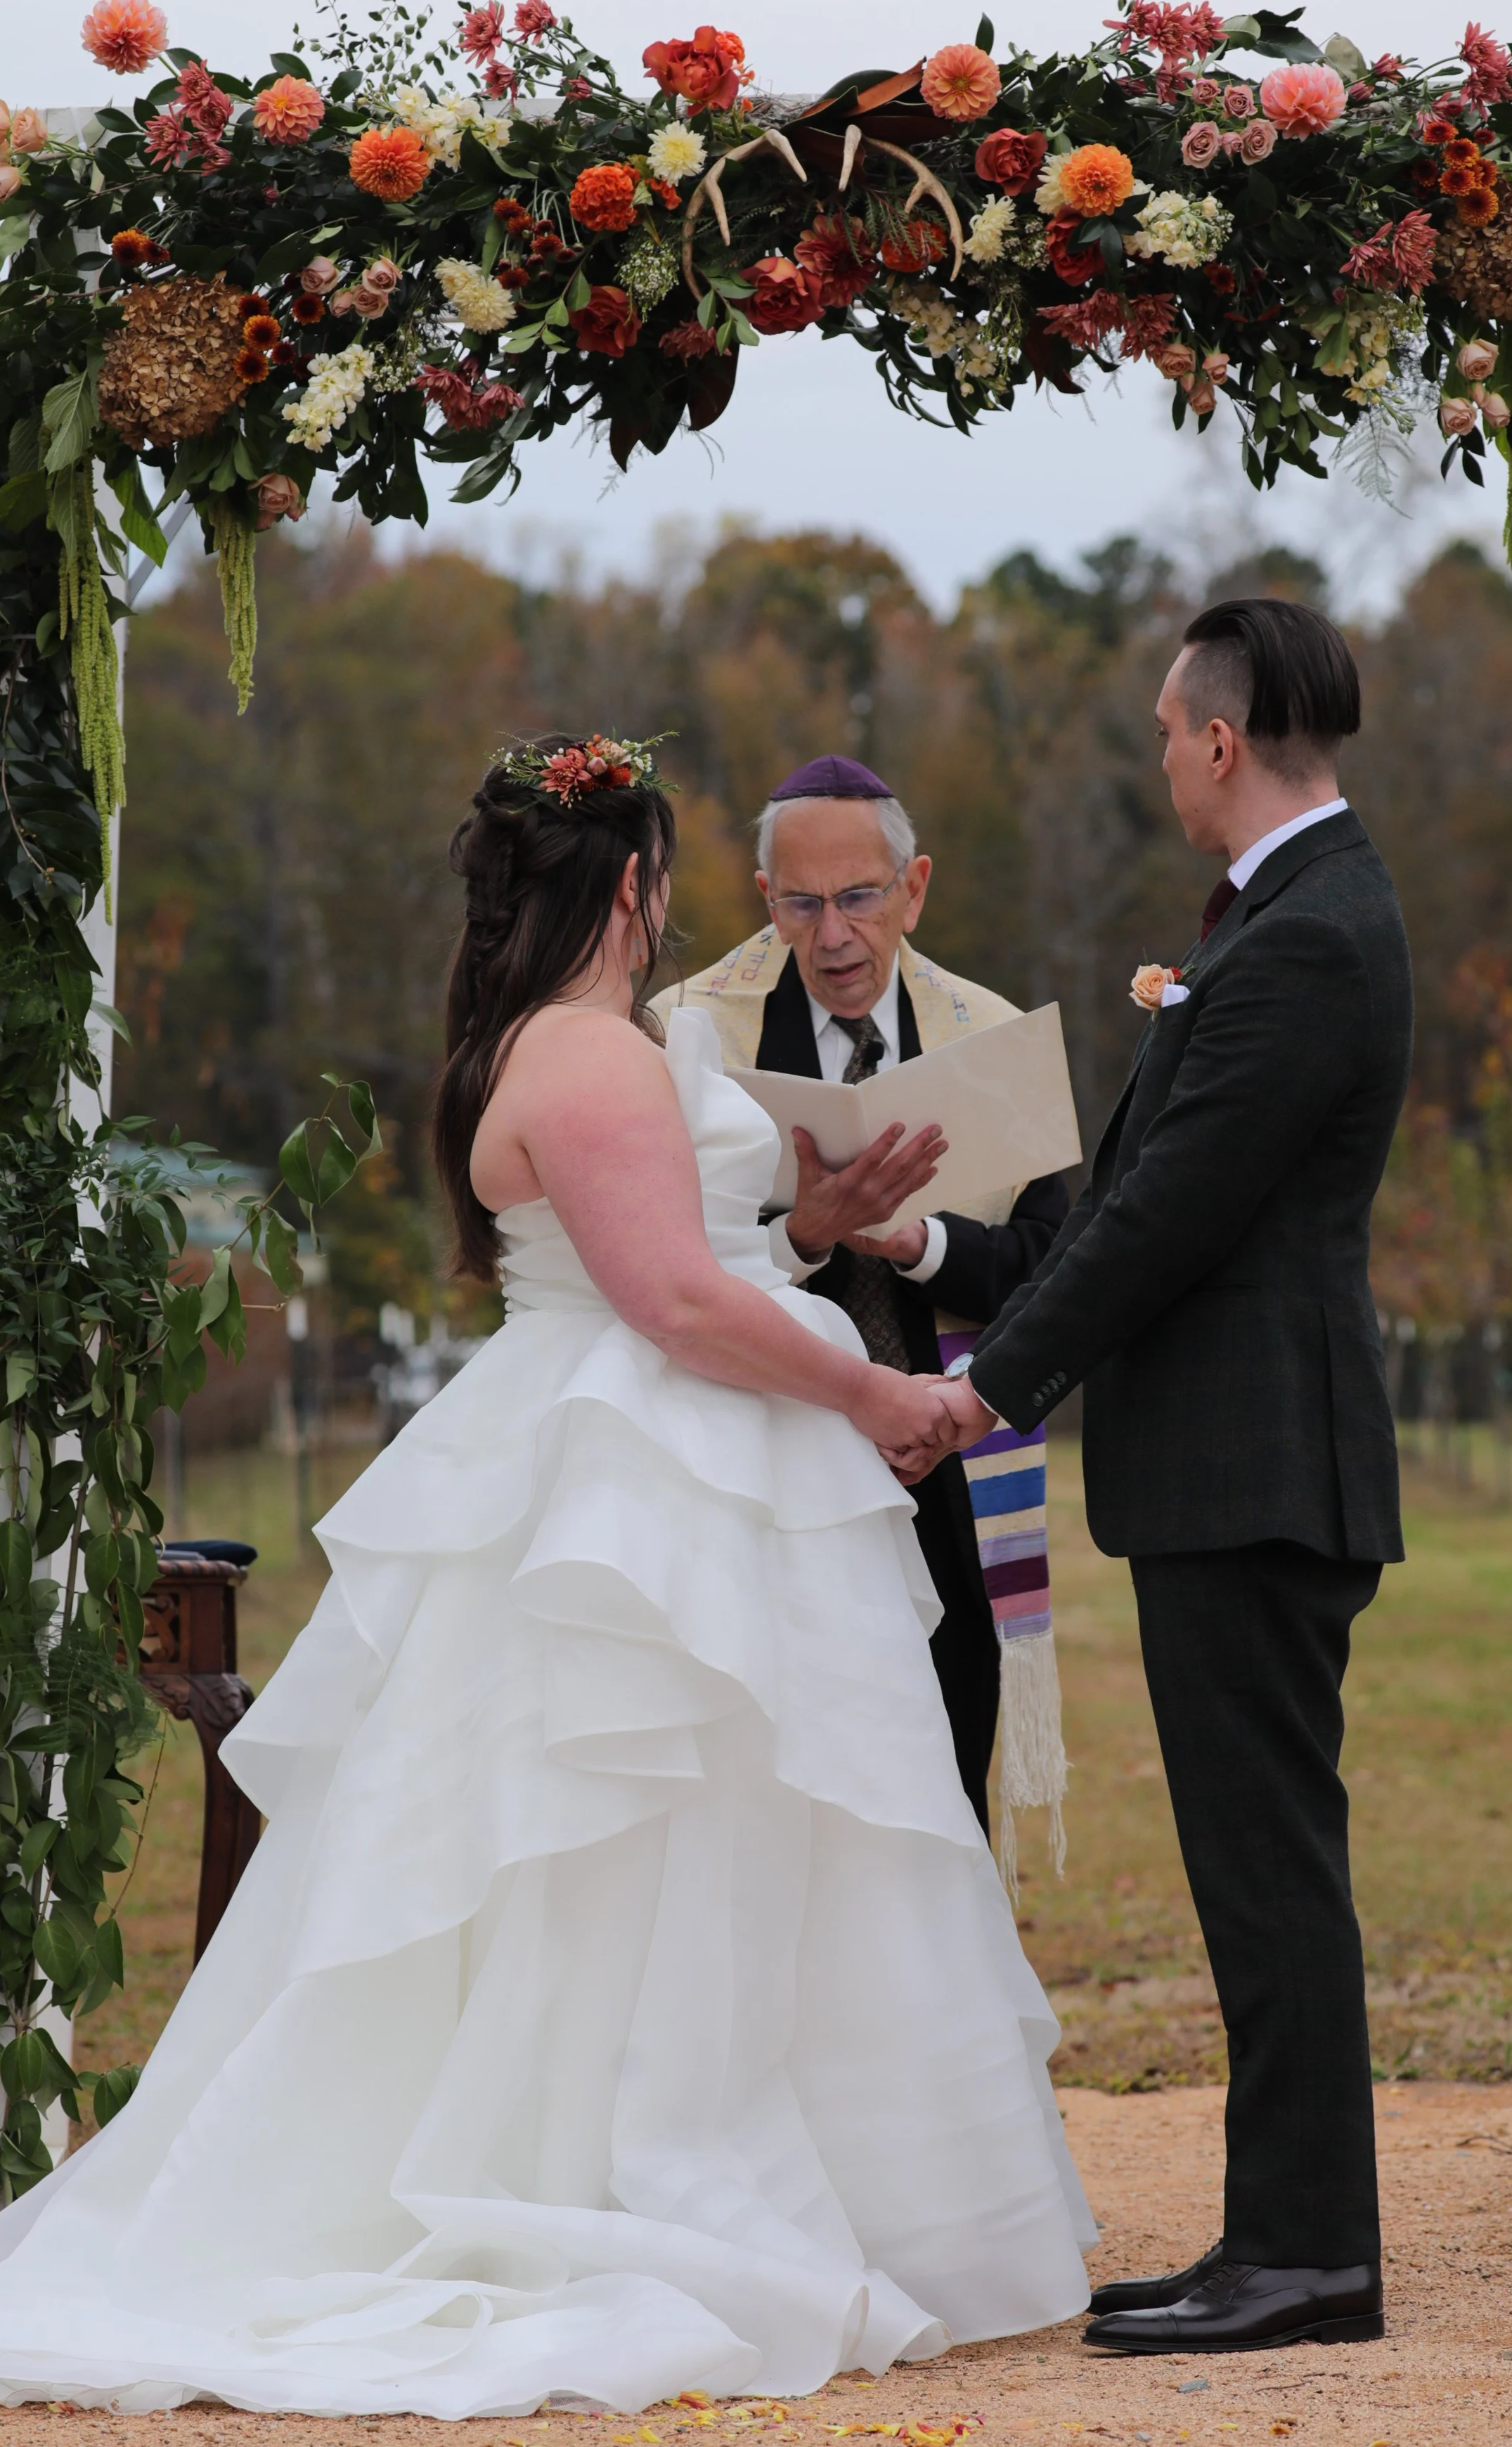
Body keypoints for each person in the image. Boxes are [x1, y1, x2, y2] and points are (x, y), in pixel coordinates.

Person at [0, 732, 1094, 2419]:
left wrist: (817, 1225)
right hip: (636, 1473)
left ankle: (774, 2159)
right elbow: (670, 1302)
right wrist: (879, 1393)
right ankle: (620, 2167)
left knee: (737, 1839)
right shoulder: (585, 1058)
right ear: (637, 886)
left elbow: (707, 1256)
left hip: (664, 1455)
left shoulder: (588, 1045)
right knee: (632, 1835)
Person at [900, 601, 1412, 2354]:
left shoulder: (1308, 940)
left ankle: (1308, 2258)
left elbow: (1168, 1218)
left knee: (1269, 1869)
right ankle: (1272, 2234)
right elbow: (1119, 1208)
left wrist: (991, 1397)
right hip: (1231, 1466)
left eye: (1156, 729)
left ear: (1212, 737)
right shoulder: (1288, 920)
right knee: (1253, 1863)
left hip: (1258, 1466)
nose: (1156, 759)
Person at [654, 756, 1071, 1842]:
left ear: (914, 888)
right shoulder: (689, 1037)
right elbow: (651, 1263)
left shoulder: (994, 1039)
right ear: (765, 900)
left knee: (943, 1751)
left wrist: (922, 1242)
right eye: (801, 903)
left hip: (941, 1458)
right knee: (767, 1772)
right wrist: (804, 1235)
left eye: (859, 898)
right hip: (762, 1454)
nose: (832, 934)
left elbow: (1056, 1265)